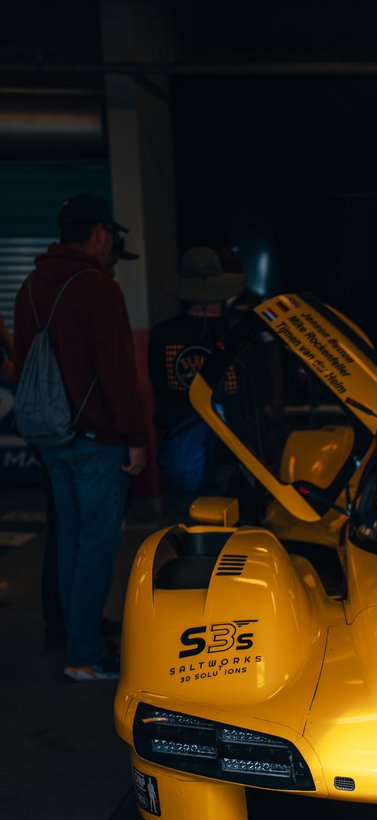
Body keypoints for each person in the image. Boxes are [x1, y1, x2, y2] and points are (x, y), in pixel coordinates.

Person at [13, 193, 150, 681]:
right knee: (95, 547)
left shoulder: (28, 287)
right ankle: (86, 657)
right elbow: (117, 373)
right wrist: (136, 437)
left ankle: (79, 642)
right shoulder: (98, 289)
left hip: (51, 437)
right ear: (98, 233)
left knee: (71, 542)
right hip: (97, 440)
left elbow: (25, 363)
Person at [149, 246, 247, 521]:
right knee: (226, 533)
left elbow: (159, 389)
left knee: (182, 531)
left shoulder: (162, 334)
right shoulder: (239, 333)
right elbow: (252, 392)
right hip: (230, 447)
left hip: (181, 451)